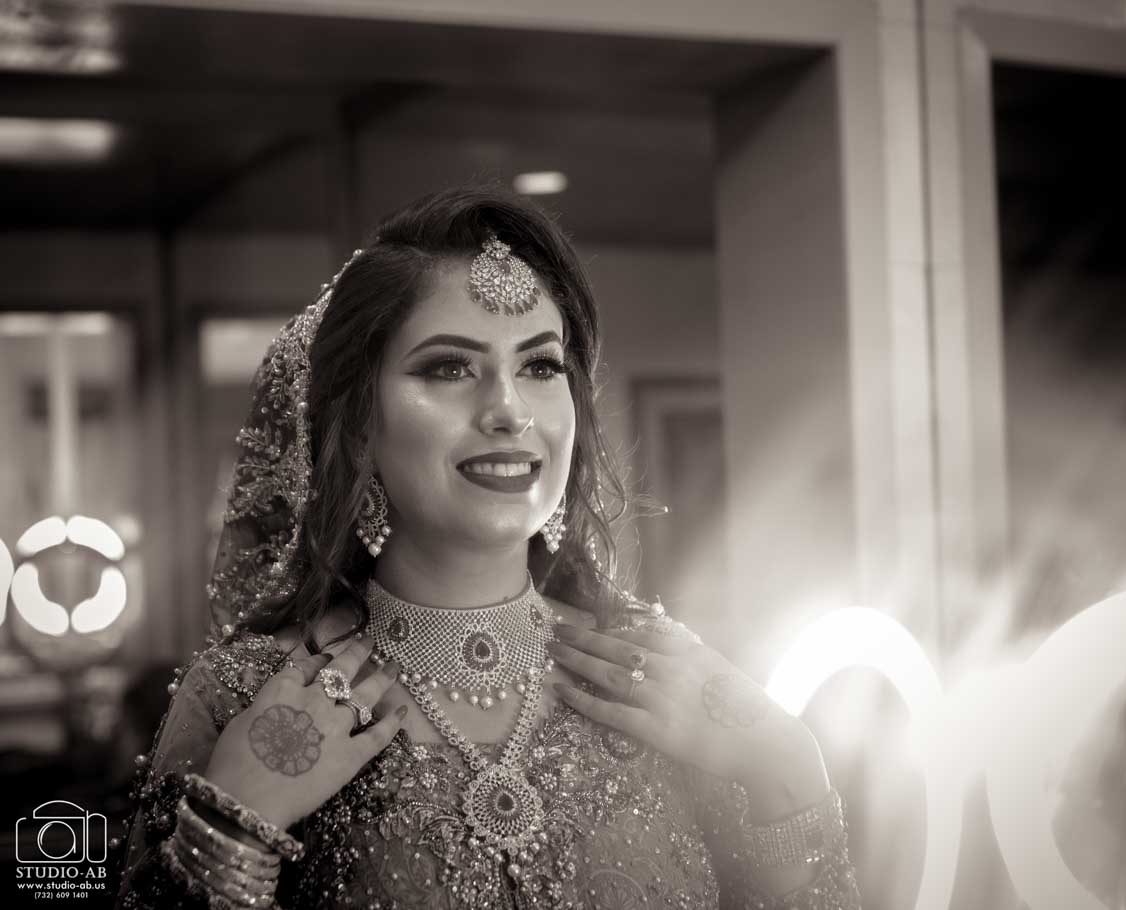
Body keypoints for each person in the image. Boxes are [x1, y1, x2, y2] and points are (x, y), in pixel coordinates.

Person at [114, 186, 861, 909]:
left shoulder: (660, 682)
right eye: (449, 367)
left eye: (540, 366)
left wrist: (787, 764)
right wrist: (231, 832)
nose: (508, 410)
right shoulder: (246, 696)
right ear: (360, 421)